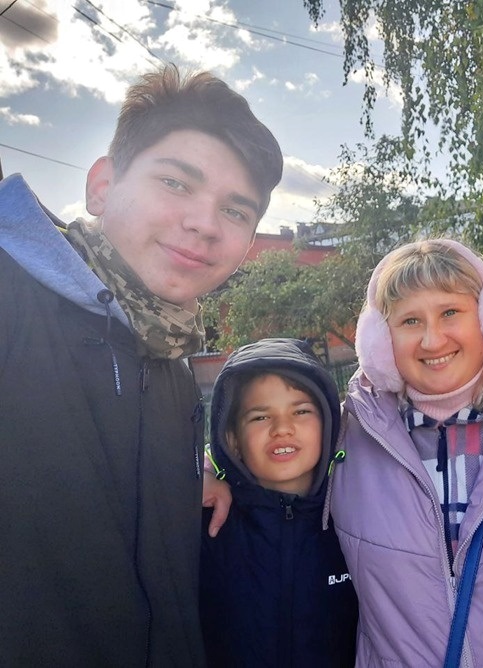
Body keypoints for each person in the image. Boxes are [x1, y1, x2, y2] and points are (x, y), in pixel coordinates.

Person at [0, 64, 282, 666]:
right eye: (176, 182)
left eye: (236, 211)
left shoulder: (170, 364)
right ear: (102, 186)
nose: (204, 224)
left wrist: (182, 480)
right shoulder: (12, 302)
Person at [327, 238, 483, 666]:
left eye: (450, 312)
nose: (433, 340)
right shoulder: (342, 435)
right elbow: (266, 475)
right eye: (410, 320)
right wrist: (216, 475)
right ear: (380, 341)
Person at [199, 337, 358, 667]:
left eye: (301, 411)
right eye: (260, 417)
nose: (282, 428)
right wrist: (193, 478)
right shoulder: (208, 524)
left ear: (328, 423)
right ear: (232, 439)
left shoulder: (356, 522)